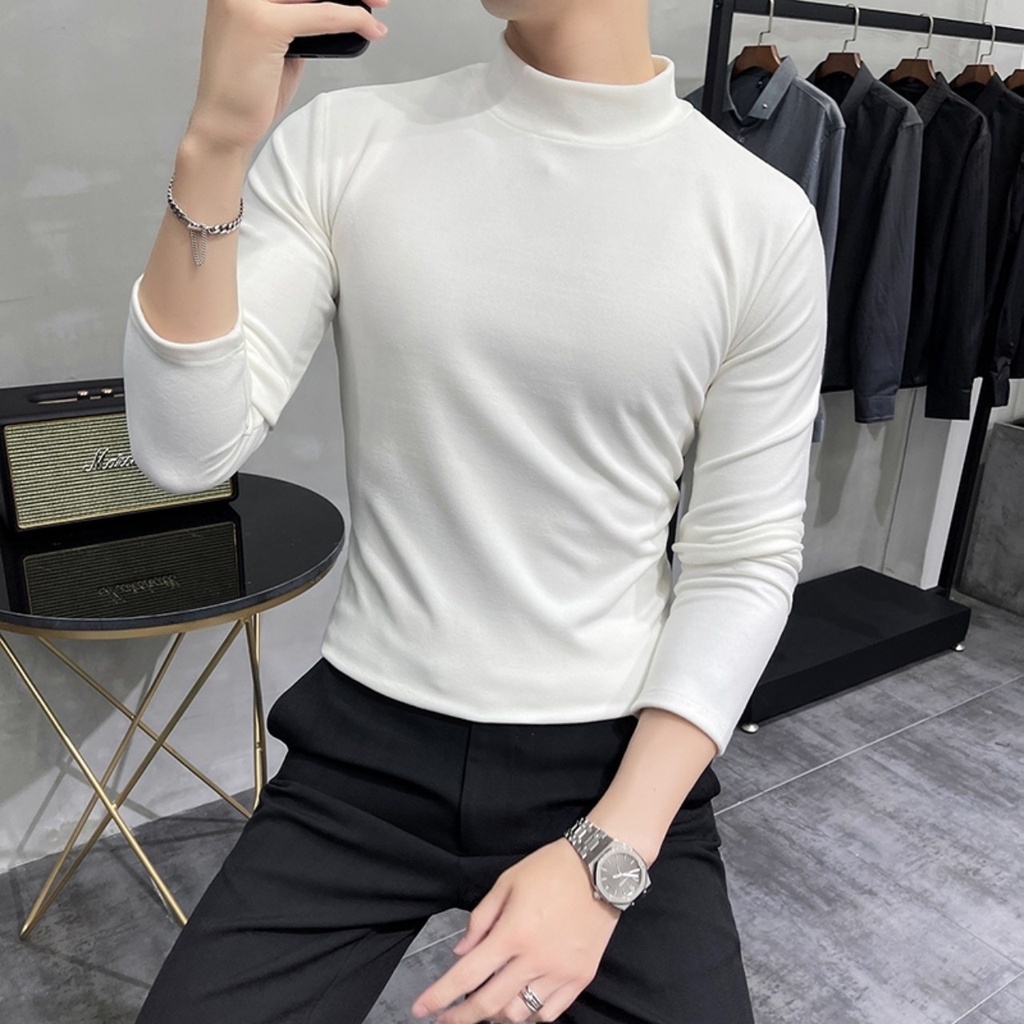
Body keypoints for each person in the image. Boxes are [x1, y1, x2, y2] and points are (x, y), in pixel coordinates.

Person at [123, 0, 828, 1021]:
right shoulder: (347, 142)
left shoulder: (755, 216)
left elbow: (743, 557)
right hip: (365, 751)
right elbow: (182, 450)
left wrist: (608, 855)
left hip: (613, 760)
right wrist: (216, 146)